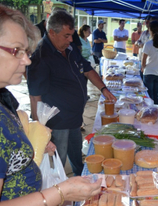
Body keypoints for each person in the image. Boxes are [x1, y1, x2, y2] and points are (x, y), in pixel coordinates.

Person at [0, 3, 102, 206]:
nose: (27, 61)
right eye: (16, 50)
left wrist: (30, 139)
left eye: (26, 51)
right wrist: (61, 193)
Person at [27, 10, 116, 176]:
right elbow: (35, 97)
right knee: (57, 163)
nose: (70, 39)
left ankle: (81, 179)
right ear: (52, 32)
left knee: (76, 156)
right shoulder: (40, 56)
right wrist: (40, 130)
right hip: (57, 123)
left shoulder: (69, 48)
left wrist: (104, 89)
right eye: (66, 35)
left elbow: (88, 69)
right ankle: (57, 194)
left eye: (72, 35)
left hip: (75, 118)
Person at [141, 20, 158, 105]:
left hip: (149, 73)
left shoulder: (148, 44)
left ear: (150, 30)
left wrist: (143, 67)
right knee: (155, 96)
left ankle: (149, 114)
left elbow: (143, 60)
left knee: (148, 96)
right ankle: (156, 114)